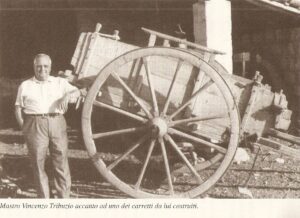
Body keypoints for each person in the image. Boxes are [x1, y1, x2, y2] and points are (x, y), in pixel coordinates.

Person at [15, 53, 83, 198]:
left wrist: (66, 95)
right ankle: (45, 201)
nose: (42, 69)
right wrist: (25, 129)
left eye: (45, 66)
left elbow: (78, 92)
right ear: (34, 67)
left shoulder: (60, 82)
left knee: (61, 161)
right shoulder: (25, 85)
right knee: (38, 164)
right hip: (35, 125)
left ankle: (64, 199)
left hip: (57, 122)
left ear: (50, 67)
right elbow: (18, 109)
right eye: (39, 66)